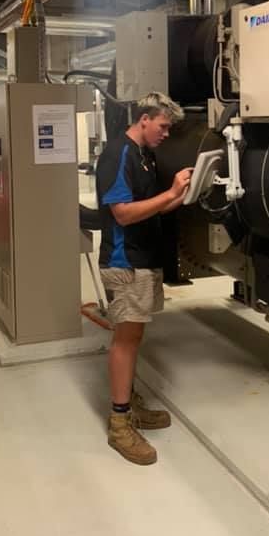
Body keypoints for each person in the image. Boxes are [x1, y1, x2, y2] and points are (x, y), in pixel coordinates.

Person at [96, 92, 192, 465]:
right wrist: (170, 192)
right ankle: (120, 424)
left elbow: (150, 208)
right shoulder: (118, 153)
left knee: (134, 337)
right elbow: (122, 213)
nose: (166, 134)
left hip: (143, 259)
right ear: (145, 119)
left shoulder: (144, 156)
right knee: (125, 339)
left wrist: (181, 194)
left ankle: (129, 404)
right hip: (125, 263)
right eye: (163, 126)